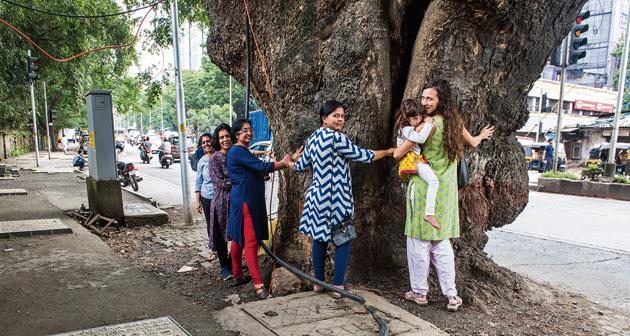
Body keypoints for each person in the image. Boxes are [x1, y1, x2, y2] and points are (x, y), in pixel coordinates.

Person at [394, 79, 493, 312]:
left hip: (423, 188)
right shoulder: (454, 122)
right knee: (441, 243)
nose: (424, 102)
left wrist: (397, 146)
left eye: (429, 98)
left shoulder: (427, 125)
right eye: (423, 98)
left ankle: (419, 293)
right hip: (446, 192)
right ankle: (451, 295)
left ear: (440, 101)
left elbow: (400, 152)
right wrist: (481, 135)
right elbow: (472, 143)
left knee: (418, 242)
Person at [283, 100, 395, 298]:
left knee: (319, 239)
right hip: (335, 199)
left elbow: (300, 167)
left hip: (316, 197)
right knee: (343, 240)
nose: (340, 119)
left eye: (342, 116)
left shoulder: (313, 138)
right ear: (324, 118)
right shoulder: (336, 138)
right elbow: (362, 155)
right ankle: (338, 287)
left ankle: (318, 283)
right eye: (336, 115)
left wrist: (289, 161)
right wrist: (387, 152)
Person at [227, 119, 290, 299]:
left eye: (251, 130)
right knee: (251, 243)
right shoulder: (238, 151)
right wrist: (285, 163)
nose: (249, 133)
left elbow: (254, 169)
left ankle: (237, 274)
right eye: (245, 130)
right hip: (247, 201)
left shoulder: (240, 151)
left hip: (243, 199)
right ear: (237, 134)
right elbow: (262, 167)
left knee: (238, 240)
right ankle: (258, 285)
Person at [395, 99, 440, 230]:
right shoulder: (405, 129)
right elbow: (420, 138)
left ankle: (429, 213)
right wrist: (428, 123)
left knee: (432, 181)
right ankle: (429, 214)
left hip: (415, 158)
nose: (418, 120)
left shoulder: (411, 125)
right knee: (434, 181)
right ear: (406, 118)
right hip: (411, 159)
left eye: (420, 117)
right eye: (414, 118)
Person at [195, 133, 230, 280]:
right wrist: (197, 201)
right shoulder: (202, 161)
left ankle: (231, 261)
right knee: (215, 232)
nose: (206, 144)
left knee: (228, 229)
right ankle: (224, 266)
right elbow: (198, 182)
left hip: (223, 197)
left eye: (208, 141)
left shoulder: (220, 156)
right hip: (208, 198)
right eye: (203, 142)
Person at [208, 125, 236, 281]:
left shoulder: (235, 154)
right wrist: (239, 182)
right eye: (221, 137)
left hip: (236, 200)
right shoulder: (215, 158)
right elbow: (219, 182)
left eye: (227, 136)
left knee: (237, 234)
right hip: (220, 202)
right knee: (220, 237)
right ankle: (224, 267)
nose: (225, 139)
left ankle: (232, 263)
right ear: (218, 140)